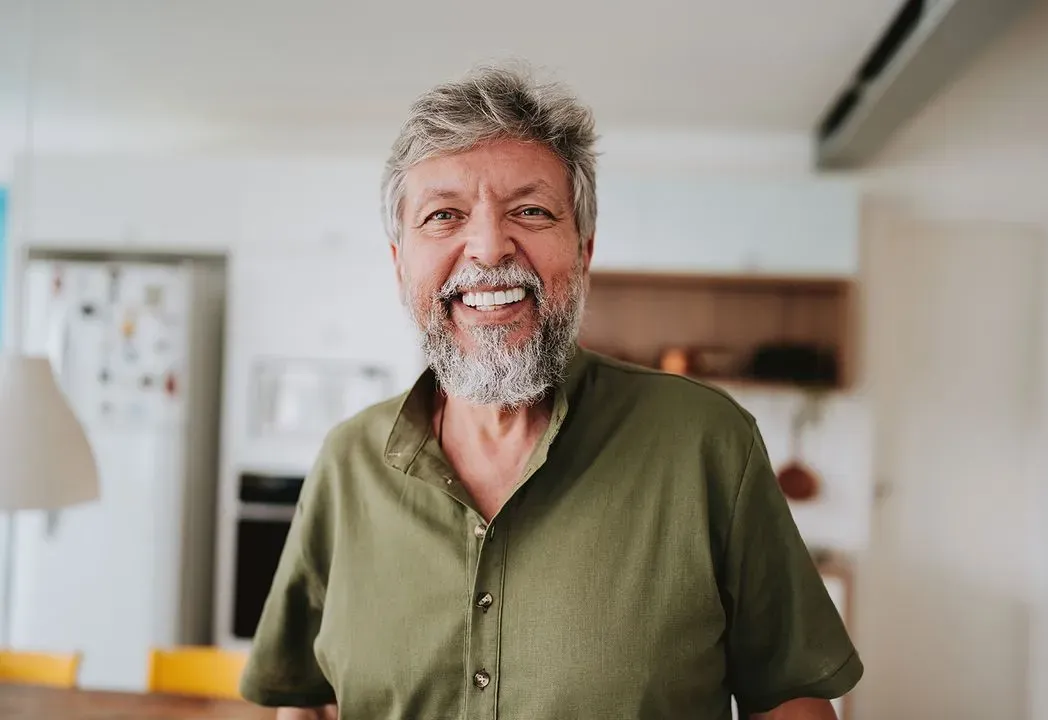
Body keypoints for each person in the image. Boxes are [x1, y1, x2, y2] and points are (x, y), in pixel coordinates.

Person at [239, 62, 863, 720]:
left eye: (530, 211)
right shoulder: (347, 463)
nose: (487, 247)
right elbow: (306, 701)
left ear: (584, 249)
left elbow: (790, 699)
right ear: (400, 266)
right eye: (443, 216)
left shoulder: (706, 443)